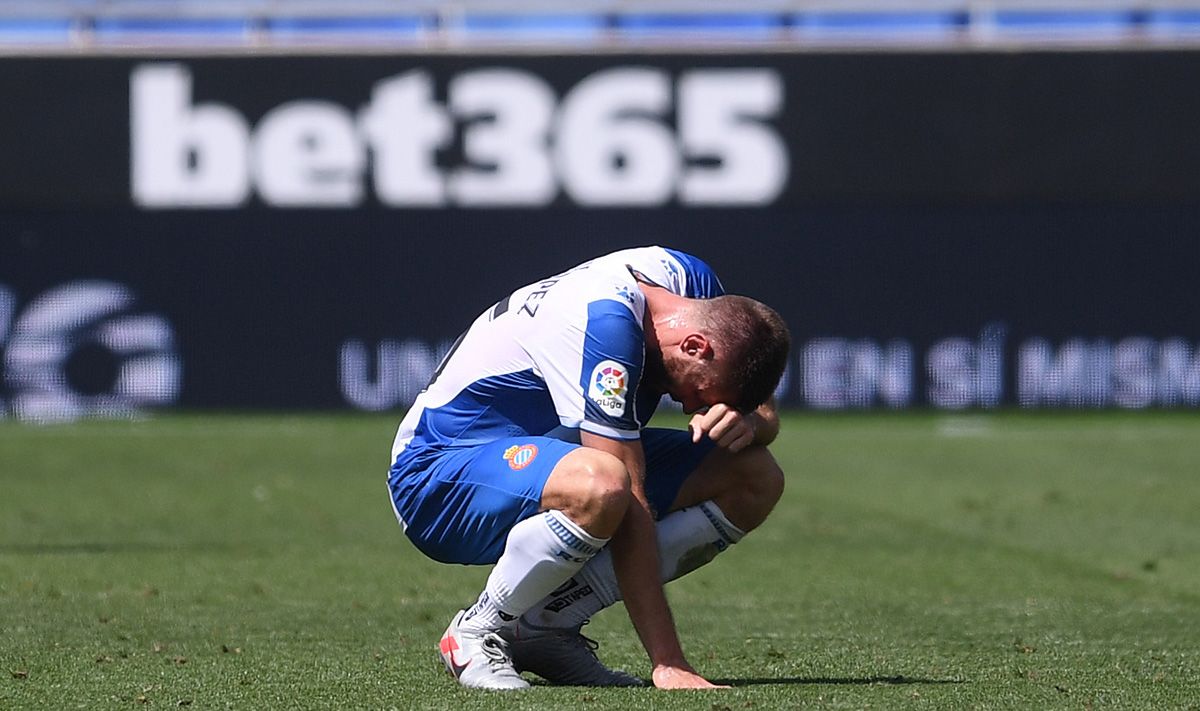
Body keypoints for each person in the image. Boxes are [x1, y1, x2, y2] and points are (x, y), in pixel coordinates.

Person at [386, 246, 789, 690]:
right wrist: (668, 662)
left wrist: (749, 420)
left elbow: (762, 409)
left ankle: (544, 626)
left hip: (551, 452)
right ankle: (477, 631)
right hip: (435, 474)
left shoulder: (691, 286)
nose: (690, 406)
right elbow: (629, 500)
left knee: (753, 476)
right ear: (695, 346)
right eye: (700, 391)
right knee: (604, 483)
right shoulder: (604, 327)